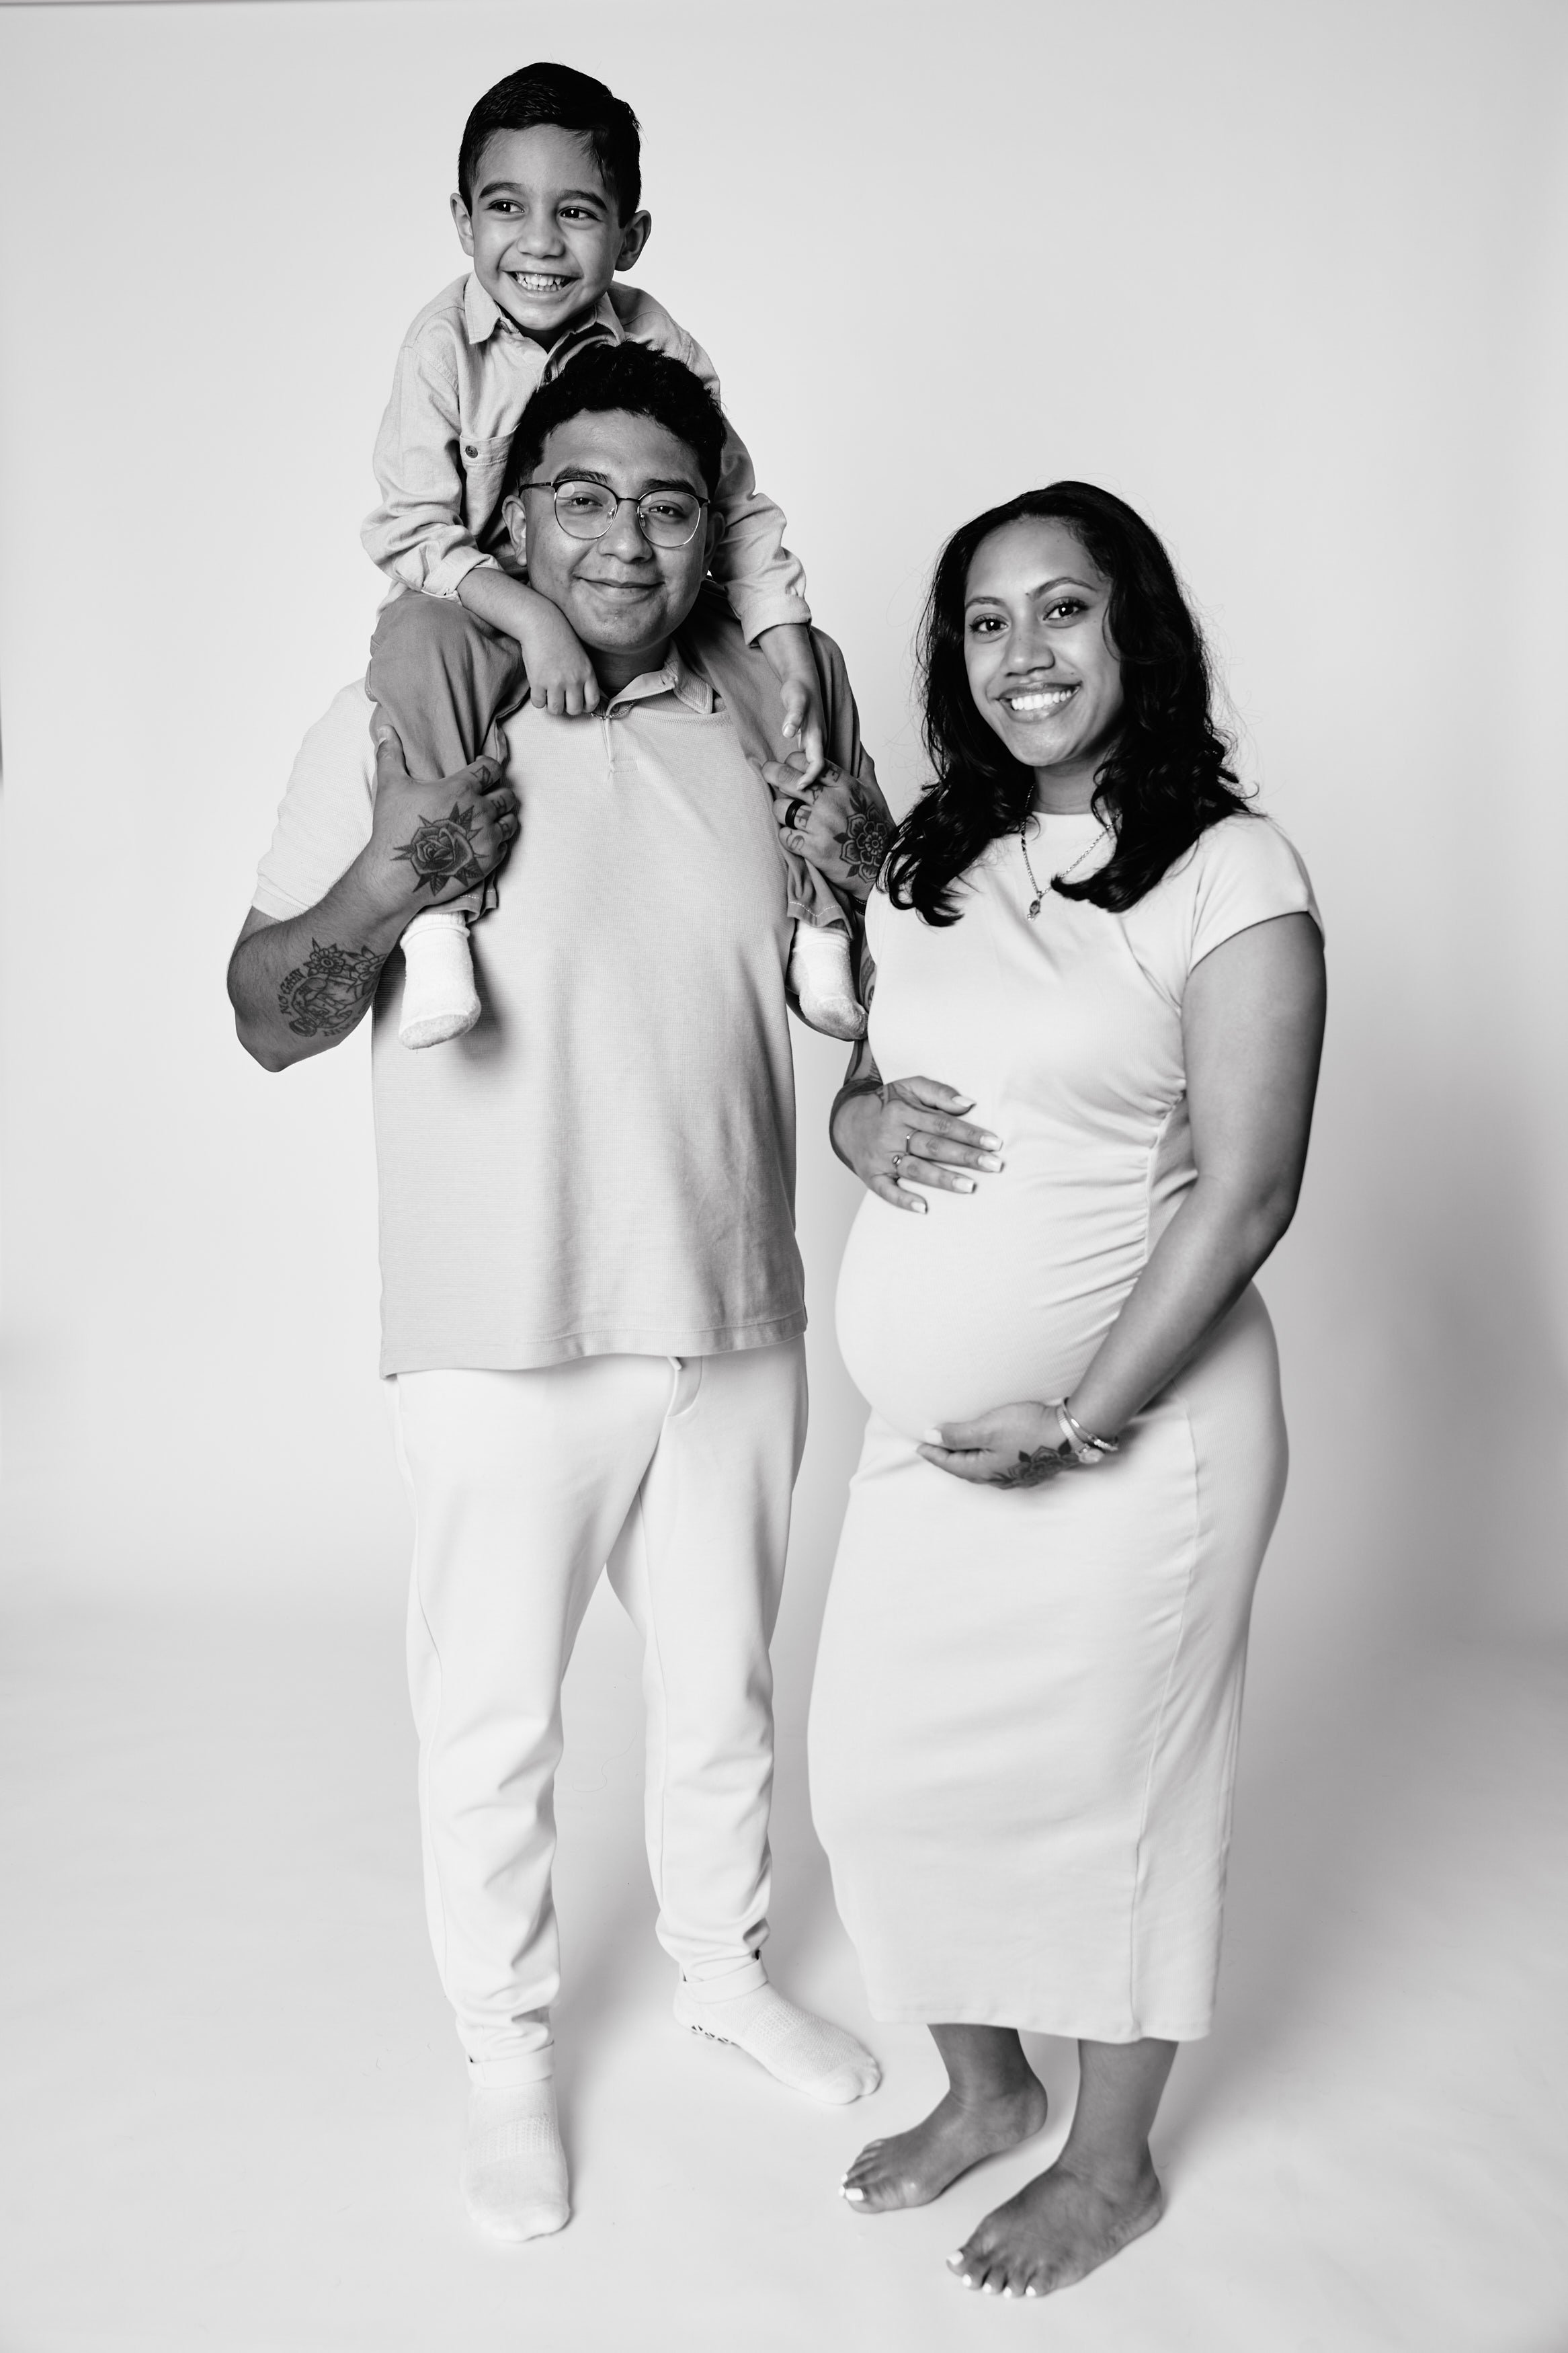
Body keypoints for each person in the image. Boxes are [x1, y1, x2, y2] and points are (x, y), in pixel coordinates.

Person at [226, 346, 891, 2245]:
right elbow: (265, 1017)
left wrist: (866, 885)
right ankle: (507, 2056)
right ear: (508, 518)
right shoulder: (402, 707)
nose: (627, 534)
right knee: (494, 1722)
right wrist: (380, 886)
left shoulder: (760, 730)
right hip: (499, 1318)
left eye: (669, 504)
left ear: (712, 537)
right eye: (583, 495)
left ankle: (720, 1966)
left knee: (719, 1693)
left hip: (728, 1303)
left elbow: (861, 1003)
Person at [798, 483, 1326, 2300]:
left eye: (1062, 610)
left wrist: (1082, 1413)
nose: (1021, 653)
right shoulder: (922, 860)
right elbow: (878, 1074)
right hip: (926, 1449)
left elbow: (1248, 1188)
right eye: (983, 621)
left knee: (1119, 1799)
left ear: (1132, 633)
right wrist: (853, 1117)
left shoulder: (1222, 868)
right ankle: (980, 2085)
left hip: (1145, 1442)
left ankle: (1108, 2162)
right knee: (871, 1776)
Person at [364, 60, 860, 1047]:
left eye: (578, 213)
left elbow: (732, 504)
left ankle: (823, 927)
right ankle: (438, 927)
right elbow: (410, 532)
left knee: (793, 679)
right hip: (475, 599)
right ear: (463, 220)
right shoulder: (437, 349)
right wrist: (532, 618)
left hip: (642, 624)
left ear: (629, 237)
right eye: (507, 207)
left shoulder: (660, 344)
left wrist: (784, 628)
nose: (539, 242)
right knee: (415, 648)